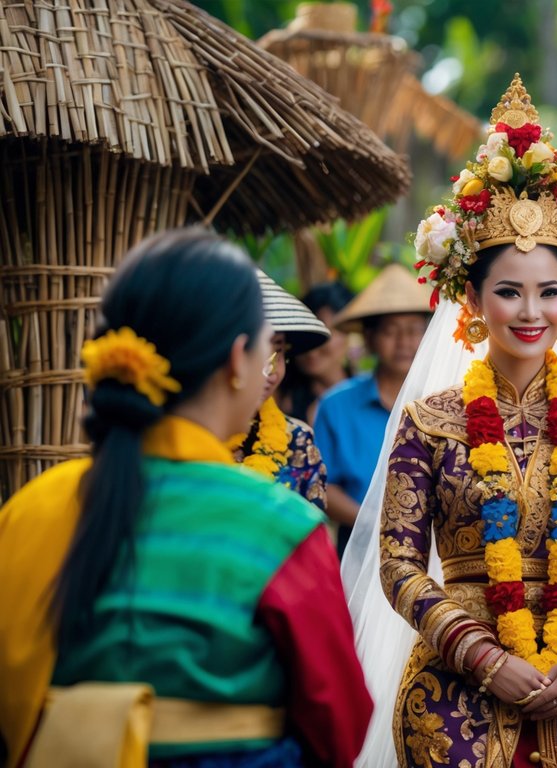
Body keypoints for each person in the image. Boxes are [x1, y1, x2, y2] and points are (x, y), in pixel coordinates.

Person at [0, 229, 371, 768]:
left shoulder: (29, 509)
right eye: (267, 347)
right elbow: (342, 725)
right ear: (239, 359)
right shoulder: (279, 527)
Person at [366, 75, 557, 768]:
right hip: (452, 699)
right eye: (509, 292)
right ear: (471, 297)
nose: (530, 312)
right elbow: (399, 565)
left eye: (548, 292)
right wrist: (484, 656)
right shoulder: (429, 422)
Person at [314, 263, 431, 555]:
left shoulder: (443, 401)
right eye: (390, 331)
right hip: (358, 548)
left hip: (433, 551)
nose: (404, 342)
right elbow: (321, 485)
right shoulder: (336, 406)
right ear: (368, 338)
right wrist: (374, 523)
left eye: (414, 330)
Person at [233, 270, 331, 509]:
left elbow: (312, 526)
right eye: (256, 349)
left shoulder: (297, 441)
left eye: (277, 350)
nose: (270, 370)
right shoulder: (175, 436)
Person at [280, 281, 354, 425]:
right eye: (305, 334)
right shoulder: (281, 400)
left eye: (324, 332)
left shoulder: (373, 395)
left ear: (349, 333)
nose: (312, 351)